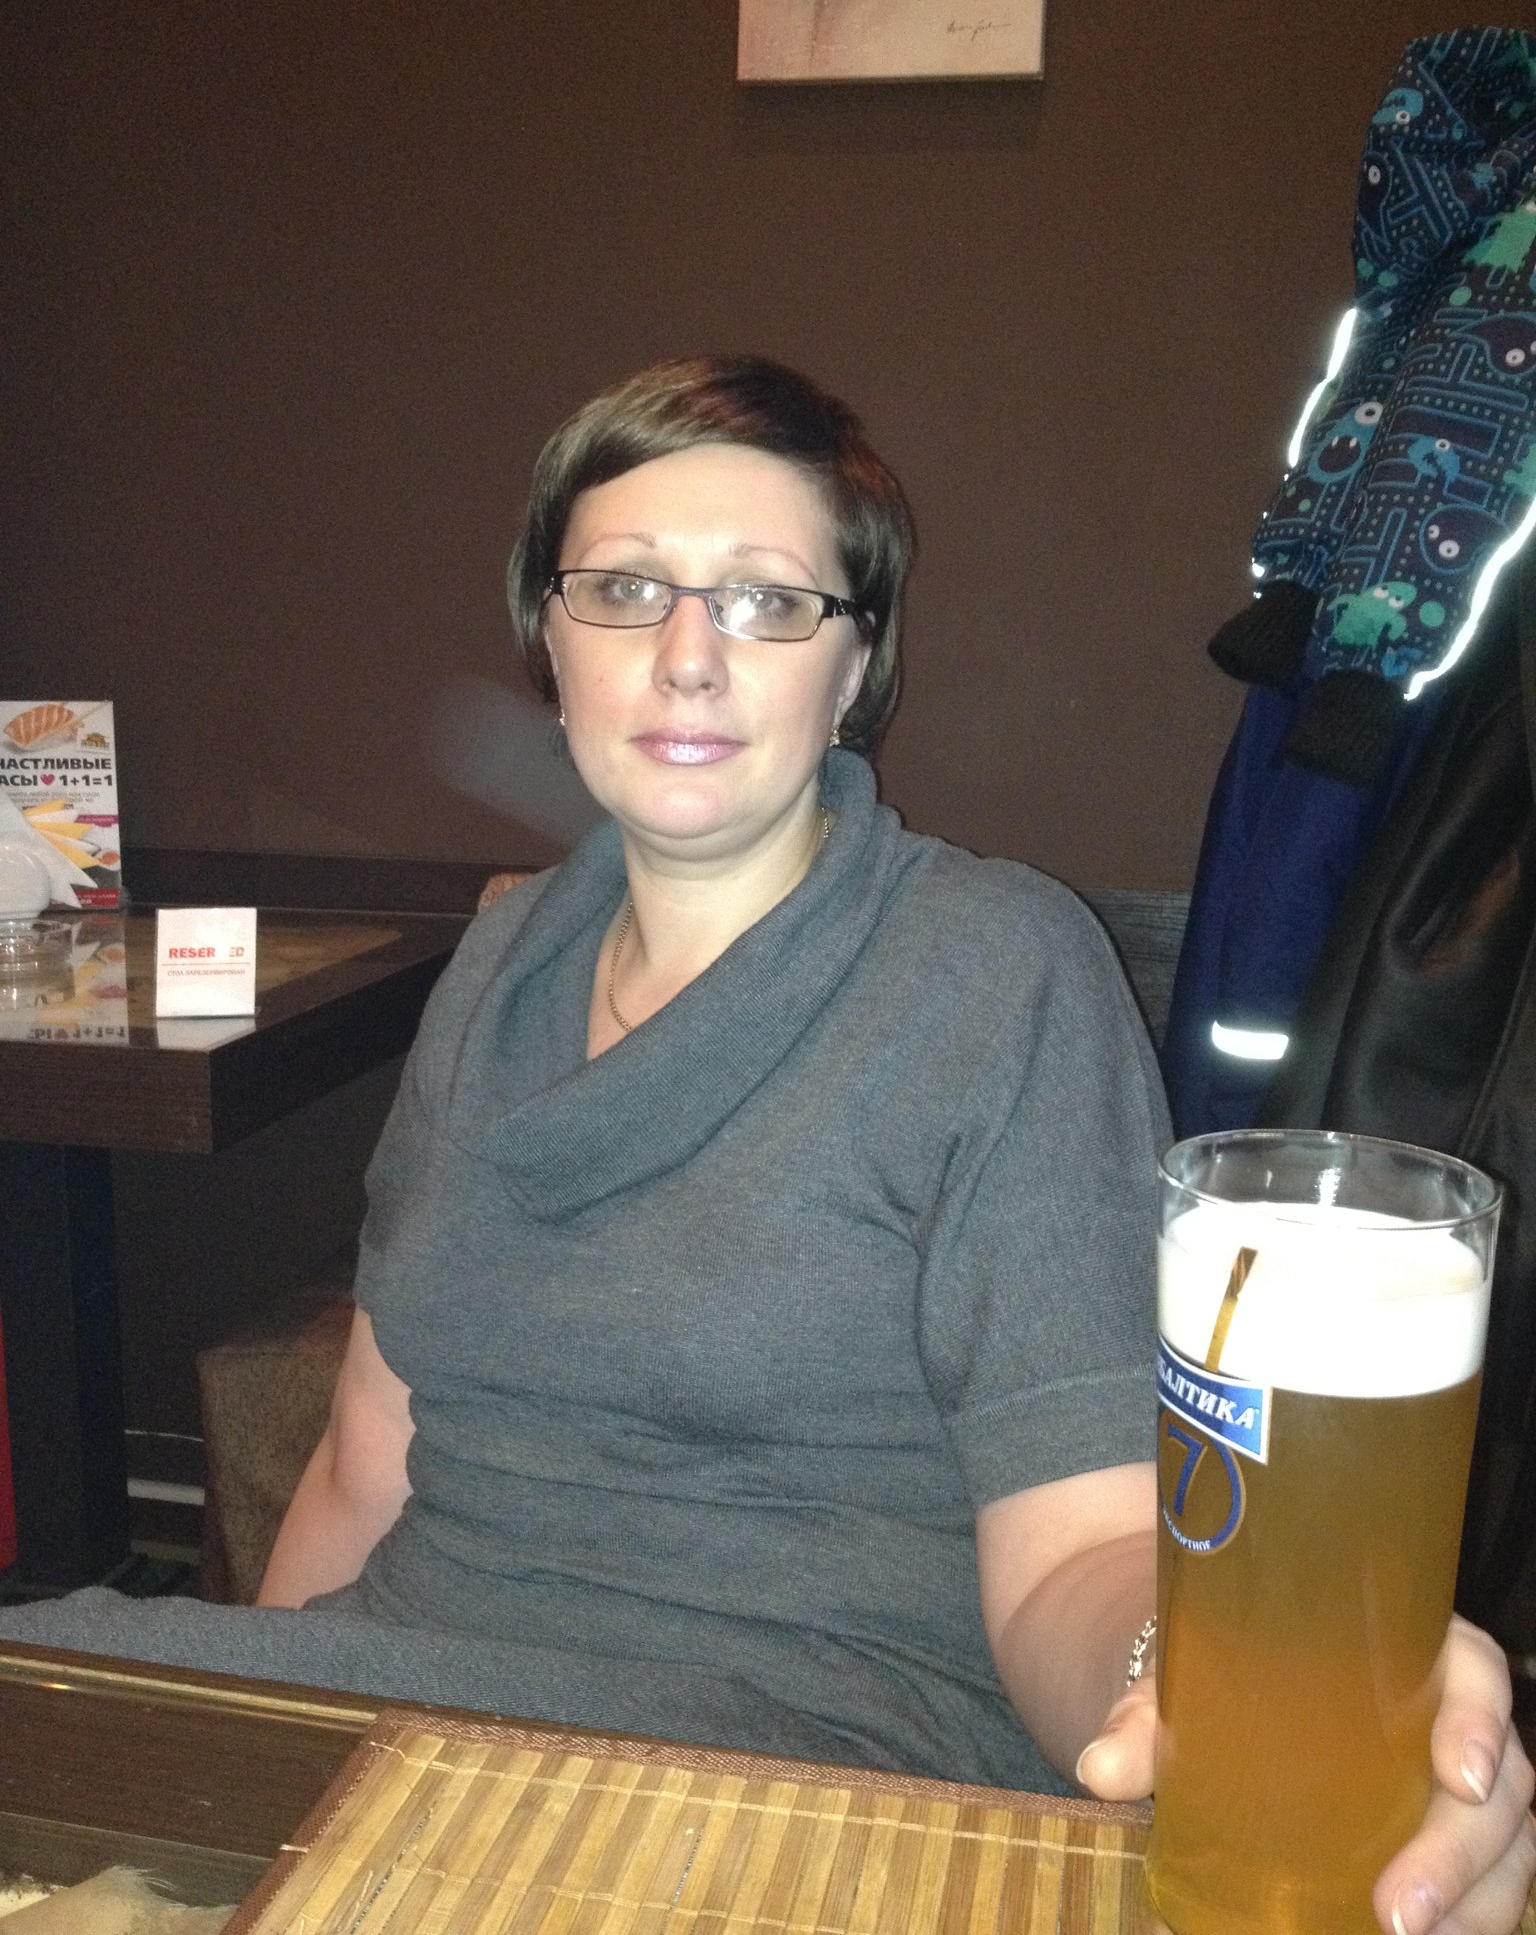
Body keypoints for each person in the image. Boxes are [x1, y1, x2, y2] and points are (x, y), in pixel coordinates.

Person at [7, 358, 1531, 1933]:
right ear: (550, 641)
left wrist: (1220, 1684)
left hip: (779, 1781)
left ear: (854, 665)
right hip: (400, 1715)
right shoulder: (496, 968)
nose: (687, 657)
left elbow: (1077, 1548)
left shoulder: (998, 973)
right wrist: (237, 1765)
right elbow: (361, 1462)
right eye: (623, 590)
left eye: (765, 601)